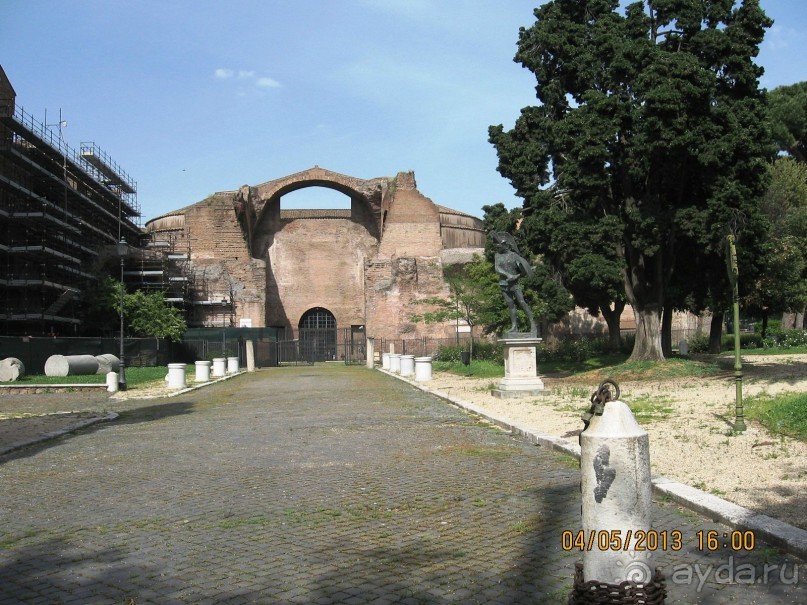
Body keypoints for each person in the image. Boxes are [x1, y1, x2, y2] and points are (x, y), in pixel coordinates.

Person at [491, 231, 537, 336]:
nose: (497, 248)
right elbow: (497, 268)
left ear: (505, 245)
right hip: (504, 283)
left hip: (515, 284)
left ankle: (533, 324)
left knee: (522, 302)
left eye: (499, 246)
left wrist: (516, 276)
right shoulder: (497, 255)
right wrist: (508, 275)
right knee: (510, 305)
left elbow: (523, 271)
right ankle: (514, 327)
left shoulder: (514, 256)